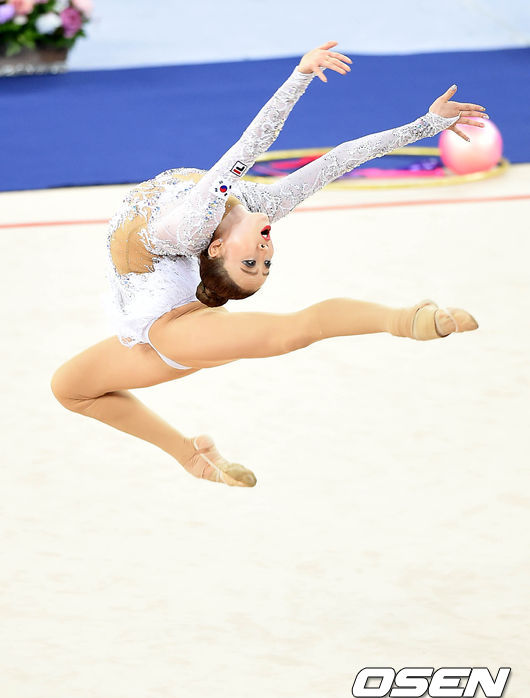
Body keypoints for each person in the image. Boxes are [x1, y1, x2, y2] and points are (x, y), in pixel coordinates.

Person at [51, 41, 487, 488]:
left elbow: (252, 144)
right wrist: (426, 124)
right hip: (166, 331)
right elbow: (340, 159)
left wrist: (301, 75)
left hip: (174, 331)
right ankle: (190, 455)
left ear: (217, 249)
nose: (265, 252)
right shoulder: (266, 205)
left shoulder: (196, 223)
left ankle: (407, 320)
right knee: (69, 389)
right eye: (265, 265)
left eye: (250, 262)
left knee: (293, 331)